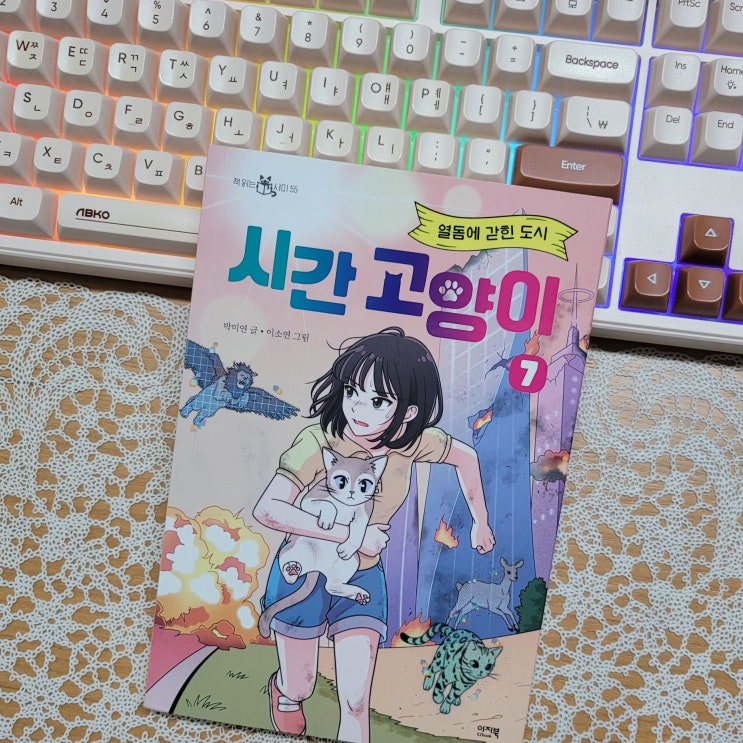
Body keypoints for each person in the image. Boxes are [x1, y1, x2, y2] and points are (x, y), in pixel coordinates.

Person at [252, 327, 495, 743]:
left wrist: (481, 521)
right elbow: (268, 509)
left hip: (362, 576)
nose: (358, 408)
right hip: (303, 571)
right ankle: (286, 695)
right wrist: (350, 535)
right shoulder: (319, 441)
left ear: (409, 412)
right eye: (352, 391)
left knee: (356, 702)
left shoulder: (411, 443)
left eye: (378, 400)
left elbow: (466, 457)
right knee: (301, 685)